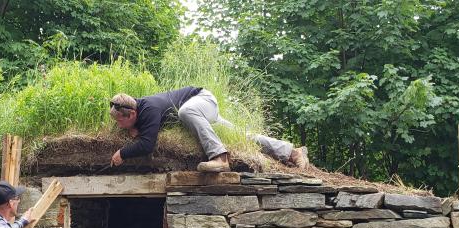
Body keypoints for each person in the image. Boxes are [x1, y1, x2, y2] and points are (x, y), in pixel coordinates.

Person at [108, 86, 309, 172]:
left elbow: (147, 144)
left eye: (119, 122)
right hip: (201, 112)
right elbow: (147, 130)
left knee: (184, 112)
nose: (119, 126)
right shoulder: (141, 110)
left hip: (202, 100)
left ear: (132, 114)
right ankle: (292, 152)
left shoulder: (149, 109)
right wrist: (134, 130)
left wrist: (122, 153)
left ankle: (220, 158)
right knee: (241, 137)